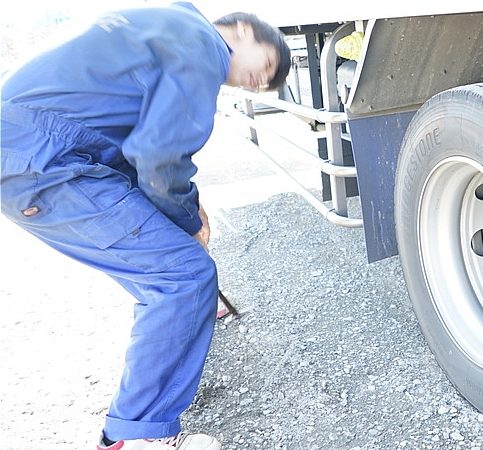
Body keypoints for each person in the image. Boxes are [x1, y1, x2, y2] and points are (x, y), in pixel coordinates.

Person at [0, 2, 290, 449]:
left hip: (31, 153)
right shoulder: (202, 44)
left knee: (171, 272)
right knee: (184, 276)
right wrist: (188, 222)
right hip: (47, 160)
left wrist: (184, 213)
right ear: (242, 30)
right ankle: (138, 435)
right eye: (266, 66)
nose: (259, 82)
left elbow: (133, 149)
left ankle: (182, 317)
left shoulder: (165, 25)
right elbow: (158, 156)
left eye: (266, 84)